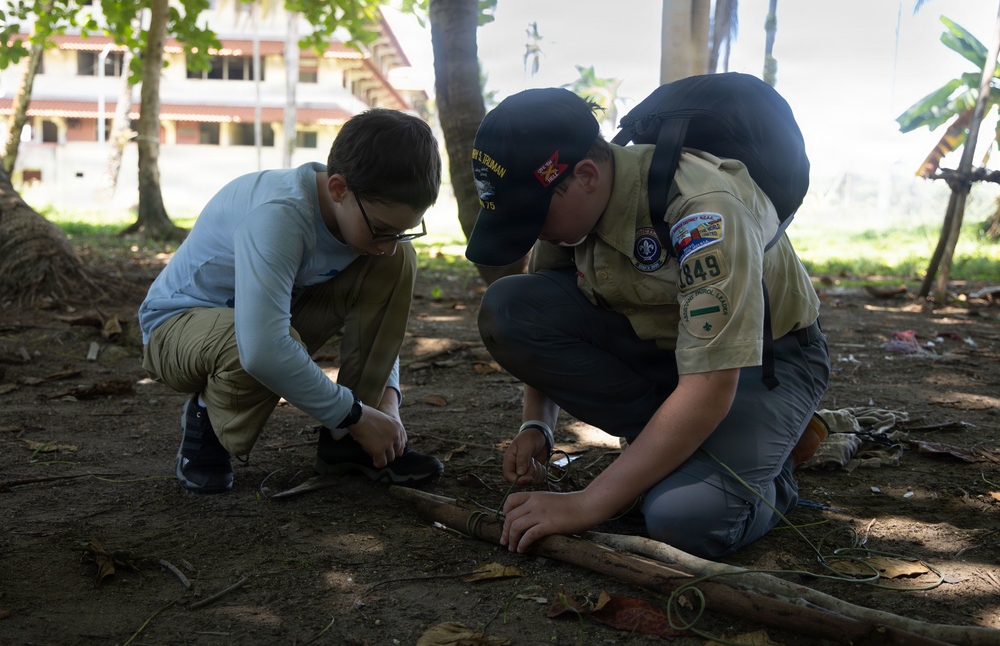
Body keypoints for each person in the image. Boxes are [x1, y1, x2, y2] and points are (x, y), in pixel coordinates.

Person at [466, 88, 831, 559]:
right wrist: (538, 424)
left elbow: (711, 386)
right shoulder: (571, 211)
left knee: (686, 519)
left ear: (587, 175)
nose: (533, 232)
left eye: (535, 217)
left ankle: (773, 476)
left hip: (764, 364)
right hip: (669, 356)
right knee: (510, 307)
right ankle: (685, 452)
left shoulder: (703, 210)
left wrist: (585, 504)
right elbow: (541, 307)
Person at [139, 108, 445, 493]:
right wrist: (351, 414)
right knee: (260, 344)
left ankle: (346, 446)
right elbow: (263, 349)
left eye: (401, 231)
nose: (385, 245)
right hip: (175, 329)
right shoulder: (280, 215)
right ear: (338, 189)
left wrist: (385, 404)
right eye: (382, 230)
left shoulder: (356, 217)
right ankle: (207, 418)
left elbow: (381, 321)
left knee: (399, 263)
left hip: (261, 318)